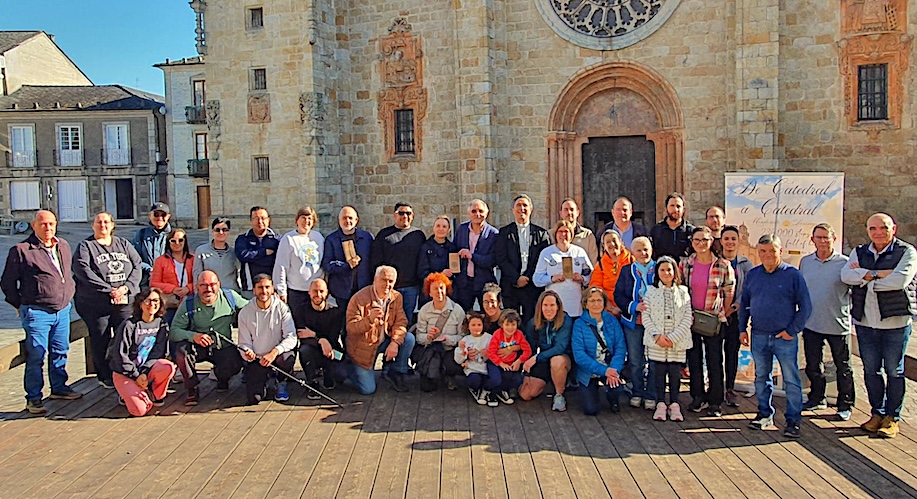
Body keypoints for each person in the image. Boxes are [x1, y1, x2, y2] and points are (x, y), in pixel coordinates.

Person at [841, 213, 917, 438]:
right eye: (873, 228)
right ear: (867, 230)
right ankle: (877, 413)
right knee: (871, 370)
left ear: (894, 228)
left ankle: (892, 417)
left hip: (895, 322)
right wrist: (877, 275)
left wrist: (864, 276)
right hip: (865, 322)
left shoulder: (907, 252)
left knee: (894, 370)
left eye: (883, 227)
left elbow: (900, 281)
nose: (878, 232)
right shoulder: (859, 251)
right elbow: (846, 276)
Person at [1, 210, 81, 414]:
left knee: (61, 349)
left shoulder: (61, 245)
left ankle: (59, 387)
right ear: (34, 225)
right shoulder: (21, 250)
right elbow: (7, 283)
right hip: (37, 311)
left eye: (51, 224)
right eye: (43, 224)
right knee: (36, 353)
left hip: (62, 310)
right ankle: (34, 397)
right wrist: (18, 304)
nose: (48, 228)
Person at [740, 234, 812, 439]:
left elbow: (805, 307)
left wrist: (792, 330)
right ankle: (764, 414)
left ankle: (793, 420)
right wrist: (742, 328)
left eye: (772, 250)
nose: (768, 255)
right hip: (759, 335)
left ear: (780, 251)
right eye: (763, 251)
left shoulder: (793, 275)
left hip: (784, 337)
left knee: (791, 379)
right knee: (761, 377)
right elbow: (745, 303)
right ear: (758, 252)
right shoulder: (753, 274)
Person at [73, 212, 142, 389]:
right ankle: (104, 375)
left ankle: (123, 370)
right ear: (93, 225)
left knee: (124, 336)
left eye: (106, 222)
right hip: (96, 304)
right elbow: (83, 271)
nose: (102, 225)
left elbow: (136, 265)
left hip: (124, 301)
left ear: (112, 225)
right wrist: (109, 290)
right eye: (99, 222)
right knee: (100, 338)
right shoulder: (86, 246)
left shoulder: (123, 244)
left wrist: (125, 288)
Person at [799, 223, 854, 420]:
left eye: (826, 237)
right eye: (818, 237)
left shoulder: (845, 263)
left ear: (834, 239)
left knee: (843, 366)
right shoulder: (806, 262)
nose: (822, 241)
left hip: (837, 324)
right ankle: (817, 398)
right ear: (812, 240)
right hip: (811, 323)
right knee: (813, 365)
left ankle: (845, 404)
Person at [680, 226, 735, 417]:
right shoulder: (686, 264)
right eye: (697, 240)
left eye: (704, 240)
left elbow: (729, 292)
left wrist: (724, 313)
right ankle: (697, 397)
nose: (701, 244)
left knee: (715, 360)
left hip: (714, 320)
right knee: (694, 360)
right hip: (692, 319)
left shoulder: (723, 265)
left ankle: (715, 400)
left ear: (712, 241)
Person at [170, 270, 248, 405]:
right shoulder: (188, 303)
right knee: (181, 351)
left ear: (219, 284)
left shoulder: (230, 297)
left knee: (236, 362)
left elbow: (251, 308)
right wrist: (193, 336)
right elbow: (174, 331)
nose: (209, 289)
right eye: (204, 285)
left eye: (212, 284)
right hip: (197, 346)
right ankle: (192, 388)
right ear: (196, 287)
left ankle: (221, 377)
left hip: (223, 346)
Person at [345, 265, 415, 394]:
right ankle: (350, 369)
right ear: (375, 279)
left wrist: (395, 342)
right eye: (384, 280)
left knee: (408, 339)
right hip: (363, 348)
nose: (387, 284)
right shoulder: (359, 298)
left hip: (384, 341)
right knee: (368, 390)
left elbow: (401, 321)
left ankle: (395, 372)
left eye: (391, 281)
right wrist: (369, 319)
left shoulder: (396, 296)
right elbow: (351, 328)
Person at [108, 287, 176, 417]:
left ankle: (154, 394)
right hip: (125, 373)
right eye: (148, 301)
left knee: (167, 366)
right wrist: (135, 375)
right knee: (139, 411)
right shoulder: (129, 325)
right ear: (140, 303)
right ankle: (129, 394)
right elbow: (120, 355)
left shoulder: (161, 324)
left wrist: (144, 372)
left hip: (147, 370)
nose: (152, 304)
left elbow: (159, 353)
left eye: (156, 301)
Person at [642, 256, 693, 422]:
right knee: (658, 372)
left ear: (675, 271)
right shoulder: (650, 291)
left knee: (674, 372)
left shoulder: (683, 292)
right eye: (662, 270)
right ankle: (661, 403)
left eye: (669, 269)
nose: (666, 273)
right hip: (657, 341)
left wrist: (673, 337)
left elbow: (687, 316)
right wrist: (657, 335)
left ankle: (675, 403)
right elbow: (646, 316)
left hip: (676, 342)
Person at [237, 274, 298, 405]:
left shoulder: (282, 308)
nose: (264, 291)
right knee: (255, 399)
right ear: (254, 290)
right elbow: (243, 343)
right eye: (260, 288)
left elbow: (291, 337)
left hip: (276, 356)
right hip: (257, 359)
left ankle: (281, 381)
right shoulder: (245, 312)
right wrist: (247, 352)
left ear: (272, 289)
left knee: (287, 357)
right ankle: (265, 380)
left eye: (267, 287)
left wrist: (274, 352)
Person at [613, 236, 656, 410]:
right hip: (634, 322)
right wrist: (634, 306)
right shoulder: (626, 271)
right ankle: (637, 391)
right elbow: (619, 295)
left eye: (646, 249)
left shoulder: (660, 268)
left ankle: (652, 394)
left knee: (654, 360)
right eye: (639, 250)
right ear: (632, 252)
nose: (643, 253)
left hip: (655, 323)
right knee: (636, 359)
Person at [494, 194, 551, 324]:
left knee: (531, 322)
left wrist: (527, 277)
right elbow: (500, 258)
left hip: (532, 286)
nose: (522, 208)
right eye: (518, 205)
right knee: (510, 321)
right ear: (513, 210)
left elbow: (542, 260)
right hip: (510, 285)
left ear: (531, 209)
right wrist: (516, 278)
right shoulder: (504, 233)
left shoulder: (541, 234)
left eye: (525, 205)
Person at [572, 287, 627, 415]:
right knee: (591, 410)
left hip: (610, 367)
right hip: (589, 371)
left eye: (599, 300)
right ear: (585, 304)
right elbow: (579, 355)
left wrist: (613, 369)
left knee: (616, 390)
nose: (596, 304)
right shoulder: (579, 324)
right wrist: (604, 371)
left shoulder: (612, 321)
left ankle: (612, 397)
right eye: (591, 301)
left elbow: (620, 348)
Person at [370, 202, 426, 324]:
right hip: (389, 288)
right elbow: (375, 262)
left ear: (413, 216)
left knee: (406, 321)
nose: (405, 216)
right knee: (386, 321)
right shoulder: (384, 235)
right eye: (401, 213)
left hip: (411, 287)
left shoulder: (418, 235)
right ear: (395, 215)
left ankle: (404, 343)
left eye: (408, 213)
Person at [521, 290, 573, 411]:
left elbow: (560, 347)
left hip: (563, 358)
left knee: (557, 361)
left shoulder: (565, 320)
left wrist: (536, 358)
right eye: (545, 305)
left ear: (558, 306)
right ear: (540, 307)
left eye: (552, 305)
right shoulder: (533, 323)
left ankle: (559, 395)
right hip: (543, 359)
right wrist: (528, 372)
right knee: (526, 394)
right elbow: (530, 348)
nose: (549, 309)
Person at [413, 272, 466, 391]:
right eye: (435, 289)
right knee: (426, 387)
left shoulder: (457, 310)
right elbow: (419, 336)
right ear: (429, 292)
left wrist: (447, 338)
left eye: (442, 288)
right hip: (431, 350)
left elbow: (463, 337)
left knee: (452, 365)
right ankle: (434, 374)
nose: (439, 291)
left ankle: (449, 375)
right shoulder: (424, 310)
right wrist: (429, 337)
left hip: (449, 349)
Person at [273, 206, 325, 328]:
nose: (306, 221)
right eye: (303, 217)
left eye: (310, 219)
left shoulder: (318, 238)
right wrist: (281, 290)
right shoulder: (289, 239)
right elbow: (281, 265)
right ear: (297, 220)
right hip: (296, 291)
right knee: (296, 325)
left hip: (315, 292)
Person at [720, 225, 754, 407]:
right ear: (721, 241)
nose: (730, 242)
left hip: (736, 316)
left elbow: (748, 288)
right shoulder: (715, 262)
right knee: (715, 353)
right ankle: (715, 388)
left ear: (738, 241)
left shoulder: (746, 264)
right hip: (717, 315)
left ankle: (730, 388)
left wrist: (735, 305)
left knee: (732, 353)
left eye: (733, 238)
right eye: (726, 239)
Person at [533, 221, 593, 318]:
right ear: (555, 234)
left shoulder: (579, 252)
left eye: (567, 231)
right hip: (554, 308)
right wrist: (551, 278)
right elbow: (536, 279)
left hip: (575, 306)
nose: (563, 235)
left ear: (571, 234)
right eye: (560, 232)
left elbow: (591, 275)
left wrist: (582, 278)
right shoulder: (546, 253)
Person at [297, 278, 345, 395]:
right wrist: (321, 340)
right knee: (304, 351)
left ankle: (329, 373)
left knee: (341, 375)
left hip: (331, 350)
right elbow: (302, 336)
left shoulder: (335, 312)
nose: (318, 294)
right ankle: (312, 382)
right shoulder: (300, 311)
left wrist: (315, 335)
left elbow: (333, 337)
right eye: (315, 291)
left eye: (321, 291)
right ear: (309, 292)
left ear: (327, 293)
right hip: (311, 349)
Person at [322, 206, 373, 313]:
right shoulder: (331, 239)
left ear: (356, 220)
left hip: (363, 290)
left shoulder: (367, 238)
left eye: (350, 218)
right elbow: (326, 265)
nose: (347, 221)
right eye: (344, 218)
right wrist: (346, 265)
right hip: (341, 292)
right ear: (339, 220)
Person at [452, 199, 499, 312]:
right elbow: (454, 250)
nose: (477, 214)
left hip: (484, 283)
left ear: (486, 213)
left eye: (481, 211)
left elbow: (492, 261)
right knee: (463, 314)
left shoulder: (493, 234)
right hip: (464, 283)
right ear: (469, 213)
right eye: (474, 211)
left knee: (488, 315)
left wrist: (472, 256)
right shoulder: (461, 230)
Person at [486, 309, 532, 405]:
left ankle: (501, 391)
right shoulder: (497, 334)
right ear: (502, 324)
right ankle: (488, 390)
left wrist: (519, 361)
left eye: (513, 325)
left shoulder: (519, 334)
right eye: (507, 325)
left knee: (517, 380)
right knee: (496, 379)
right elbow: (491, 352)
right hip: (496, 363)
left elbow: (528, 350)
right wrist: (500, 363)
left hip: (510, 363)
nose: (510, 328)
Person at [150, 228, 194, 323]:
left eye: (180, 240)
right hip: (171, 304)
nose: (177, 243)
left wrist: (188, 288)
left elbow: (199, 280)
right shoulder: (160, 261)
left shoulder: (193, 259)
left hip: (190, 301)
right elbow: (154, 283)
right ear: (168, 242)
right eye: (173, 240)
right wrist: (173, 289)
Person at [455, 311, 499, 406]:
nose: (476, 327)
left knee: (493, 379)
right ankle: (476, 389)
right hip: (473, 369)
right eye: (473, 325)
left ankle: (487, 391)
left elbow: (496, 353)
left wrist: (487, 354)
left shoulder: (489, 338)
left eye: (479, 324)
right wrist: (464, 353)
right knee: (474, 381)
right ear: (468, 326)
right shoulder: (465, 340)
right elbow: (457, 359)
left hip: (486, 369)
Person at [235, 206, 281, 298]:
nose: (260, 221)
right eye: (256, 218)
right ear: (251, 221)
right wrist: (263, 253)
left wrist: (253, 257)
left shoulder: (277, 240)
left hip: (272, 288)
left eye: (263, 218)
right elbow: (243, 256)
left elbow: (278, 261)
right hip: (249, 287)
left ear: (268, 220)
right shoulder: (243, 239)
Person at [590, 230, 635, 317]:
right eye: (608, 242)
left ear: (621, 242)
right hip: (609, 311)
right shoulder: (600, 265)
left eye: (614, 240)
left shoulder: (632, 260)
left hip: (630, 309)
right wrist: (610, 308)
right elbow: (595, 289)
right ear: (604, 246)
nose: (612, 244)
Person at [416, 215, 457, 307]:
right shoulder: (425, 247)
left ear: (449, 230)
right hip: (430, 295)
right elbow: (422, 272)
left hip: (448, 294)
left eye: (444, 226)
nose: (441, 229)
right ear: (433, 228)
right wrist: (441, 274)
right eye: (438, 226)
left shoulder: (453, 248)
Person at [193, 217, 240, 292]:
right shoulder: (201, 251)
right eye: (217, 230)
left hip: (230, 294)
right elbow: (197, 276)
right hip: (209, 293)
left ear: (229, 232)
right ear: (212, 232)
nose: (221, 233)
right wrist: (197, 294)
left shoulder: (234, 252)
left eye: (224, 230)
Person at [132, 202, 172, 287]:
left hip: (168, 282)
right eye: (156, 214)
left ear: (168, 217)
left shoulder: (173, 235)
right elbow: (134, 257)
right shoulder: (141, 234)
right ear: (150, 216)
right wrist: (149, 269)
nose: (159, 218)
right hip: (145, 282)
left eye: (163, 215)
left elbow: (180, 257)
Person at [649, 192, 695, 260]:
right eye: (672, 206)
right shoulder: (656, 230)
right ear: (666, 208)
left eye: (678, 206)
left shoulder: (691, 231)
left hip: (684, 269)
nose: (675, 209)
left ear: (683, 209)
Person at [559, 198, 598, 263]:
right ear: (560, 213)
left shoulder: (587, 235)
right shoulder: (552, 234)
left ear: (577, 213)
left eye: (572, 209)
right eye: (566, 210)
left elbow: (593, 261)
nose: (569, 212)